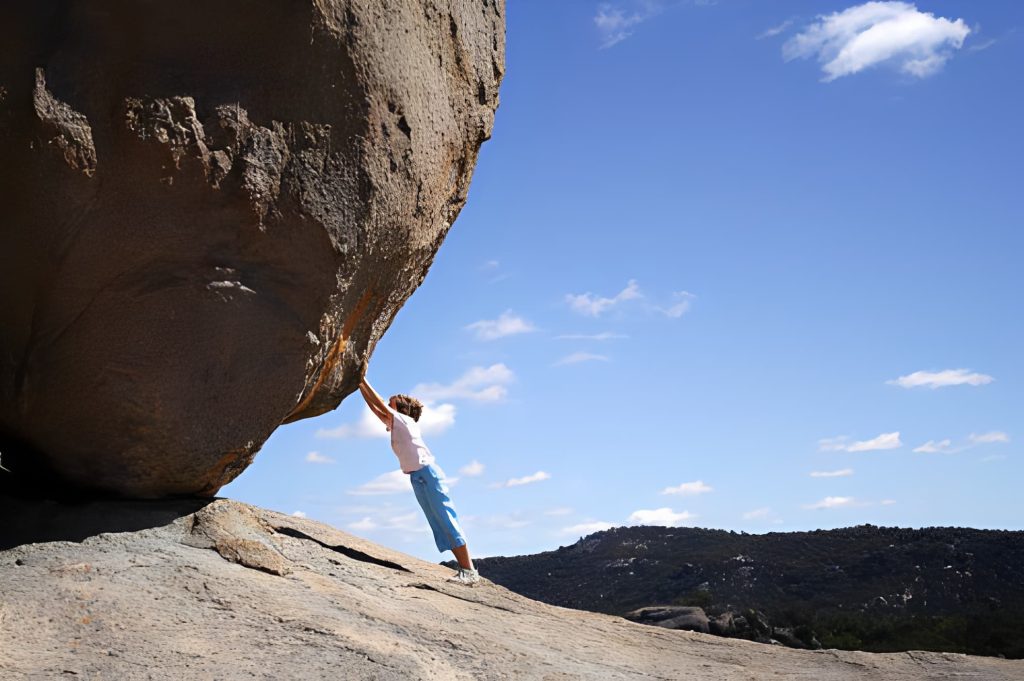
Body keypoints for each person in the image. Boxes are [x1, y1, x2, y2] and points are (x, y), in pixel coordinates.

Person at [358, 376, 480, 585]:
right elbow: (375, 409)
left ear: (402, 409)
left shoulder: (406, 421)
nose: (388, 405)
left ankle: (469, 571)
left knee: (446, 518)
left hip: (428, 474)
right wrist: (358, 384)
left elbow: (378, 403)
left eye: (392, 403)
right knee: (438, 523)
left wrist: (363, 379)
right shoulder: (397, 423)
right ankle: (464, 569)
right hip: (418, 477)